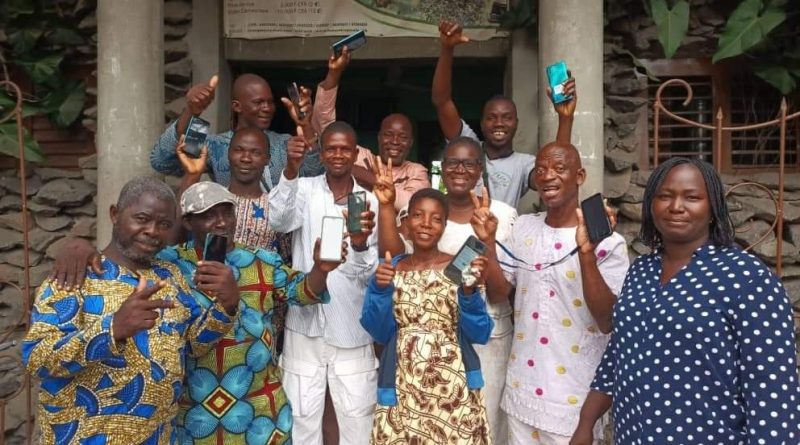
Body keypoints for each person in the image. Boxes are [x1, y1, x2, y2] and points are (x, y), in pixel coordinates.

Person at [46, 180, 348, 444]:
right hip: (195, 414)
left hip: (260, 409)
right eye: (207, 215)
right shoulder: (169, 265)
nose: (220, 222)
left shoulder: (262, 260)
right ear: (188, 223)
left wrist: (321, 269)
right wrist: (79, 246)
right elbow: (125, 253)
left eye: (225, 212)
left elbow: (303, 293)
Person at [571, 157, 800, 445]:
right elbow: (619, 353)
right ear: (650, 207)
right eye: (665, 196)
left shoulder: (747, 278)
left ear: (713, 208)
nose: (676, 206)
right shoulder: (641, 270)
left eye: (692, 197)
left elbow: (773, 392)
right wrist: (586, 423)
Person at [23, 177, 238, 444]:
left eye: (164, 225)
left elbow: (193, 344)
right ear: (115, 214)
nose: (152, 231)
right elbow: (37, 357)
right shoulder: (77, 275)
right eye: (142, 219)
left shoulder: (169, 275)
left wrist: (226, 307)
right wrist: (112, 330)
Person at [375, 136, 516, 444]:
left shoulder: (502, 216)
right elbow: (392, 261)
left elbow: (498, 293)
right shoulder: (423, 210)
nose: (459, 170)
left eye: (468, 163)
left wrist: (487, 240)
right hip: (417, 356)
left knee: (482, 421)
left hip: (482, 338)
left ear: (481, 169)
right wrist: (386, 205)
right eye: (452, 162)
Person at [493, 142, 629, 445]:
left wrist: (586, 252)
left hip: (575, 398)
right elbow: (499, 292)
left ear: (579, 176)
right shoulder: (523, 228)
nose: (547, 176)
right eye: (540, 170)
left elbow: (607, 319)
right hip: (521, 389)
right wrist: (488, 243)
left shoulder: (609, 243)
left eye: (559, 168)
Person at [268, 121, 379, 445]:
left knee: (357, 421)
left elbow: (367, 274)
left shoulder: (368, 202)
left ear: (356, 153)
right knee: (301, 419)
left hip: (352, 326)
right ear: (322, 152)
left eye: (345, 148)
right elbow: (278, 219)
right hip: (305, 326)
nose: (338, 155)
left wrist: (359, 244)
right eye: (331, 148)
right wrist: (290, 169)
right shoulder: (303, 188)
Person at [361, 188, 494, 444]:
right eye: (418, 215)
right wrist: (380, 289)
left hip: (454, 388)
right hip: (403, 384)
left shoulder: (460, 267)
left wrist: (468, 292)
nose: (425, 224)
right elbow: (378, 332)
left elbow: (480, 332)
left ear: (444, 226)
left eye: (435, 218)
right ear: (406, 222)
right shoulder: (391, 269)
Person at [150, 49, 351, 189]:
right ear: (237, 106)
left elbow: (315, 173)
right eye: (258, 102)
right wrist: (192, 112)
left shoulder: (284, 143)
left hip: (276, 243)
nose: (267, 108)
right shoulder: (215, 144)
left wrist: (305, 125)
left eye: (270, 102)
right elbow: (162, 162)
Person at [432, 20, 577, 208]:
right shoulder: (468, 146)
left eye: (506, 118)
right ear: (482, 123)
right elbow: (442, 101)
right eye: (491, 118)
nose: (499, 123)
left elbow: (556, 172)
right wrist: (447, 49)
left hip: (502, 237)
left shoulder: (524, 165)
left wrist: (565, 118)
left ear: (516, 123)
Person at [311, 55, 430, 211]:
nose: (395, 141)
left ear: (411, 143)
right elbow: (327, 129)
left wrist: (367, 176)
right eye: (388, 134)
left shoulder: (416, 171)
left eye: (403, 137)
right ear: (379, 138)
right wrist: (334, 74)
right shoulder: (362, 157)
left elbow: (411, 205)